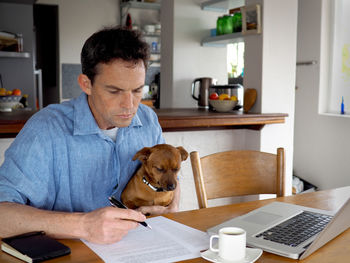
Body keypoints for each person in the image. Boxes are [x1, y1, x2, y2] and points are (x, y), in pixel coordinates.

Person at [0, 26, 180, 244]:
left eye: (137, 90)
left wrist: (172, 204)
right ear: (86, 84)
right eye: (114, 91)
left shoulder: (148, 120)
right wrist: (84, 225)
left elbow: (170, 176)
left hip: (141, 246)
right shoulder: (45, 129)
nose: (130, 105)